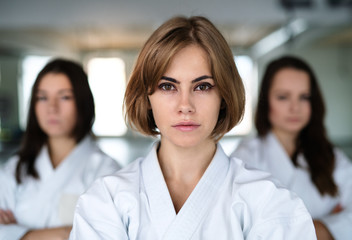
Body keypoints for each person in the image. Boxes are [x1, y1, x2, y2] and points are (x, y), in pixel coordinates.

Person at [69, 16, 316, 240]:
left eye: (202, 86)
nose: (185, 105)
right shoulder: (105, 200)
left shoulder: (270, 201)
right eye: (168, 86)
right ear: (147, 97)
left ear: (224, 96)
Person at [231, 55, 352, 240]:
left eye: (304, 97)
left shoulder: (331, 156)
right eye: (283, 97)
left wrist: (291, 228)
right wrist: (329, 226)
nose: (295, 107)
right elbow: (243, 228)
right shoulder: (246, 157)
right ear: (266, 101)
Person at [0, 58, 121, 239]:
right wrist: (64, 232)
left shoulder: (106, 173)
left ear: (82, 103)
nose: (52, 108)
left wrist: (18, 233)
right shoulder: (16, 168)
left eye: (64, 97)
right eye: (42, 97)